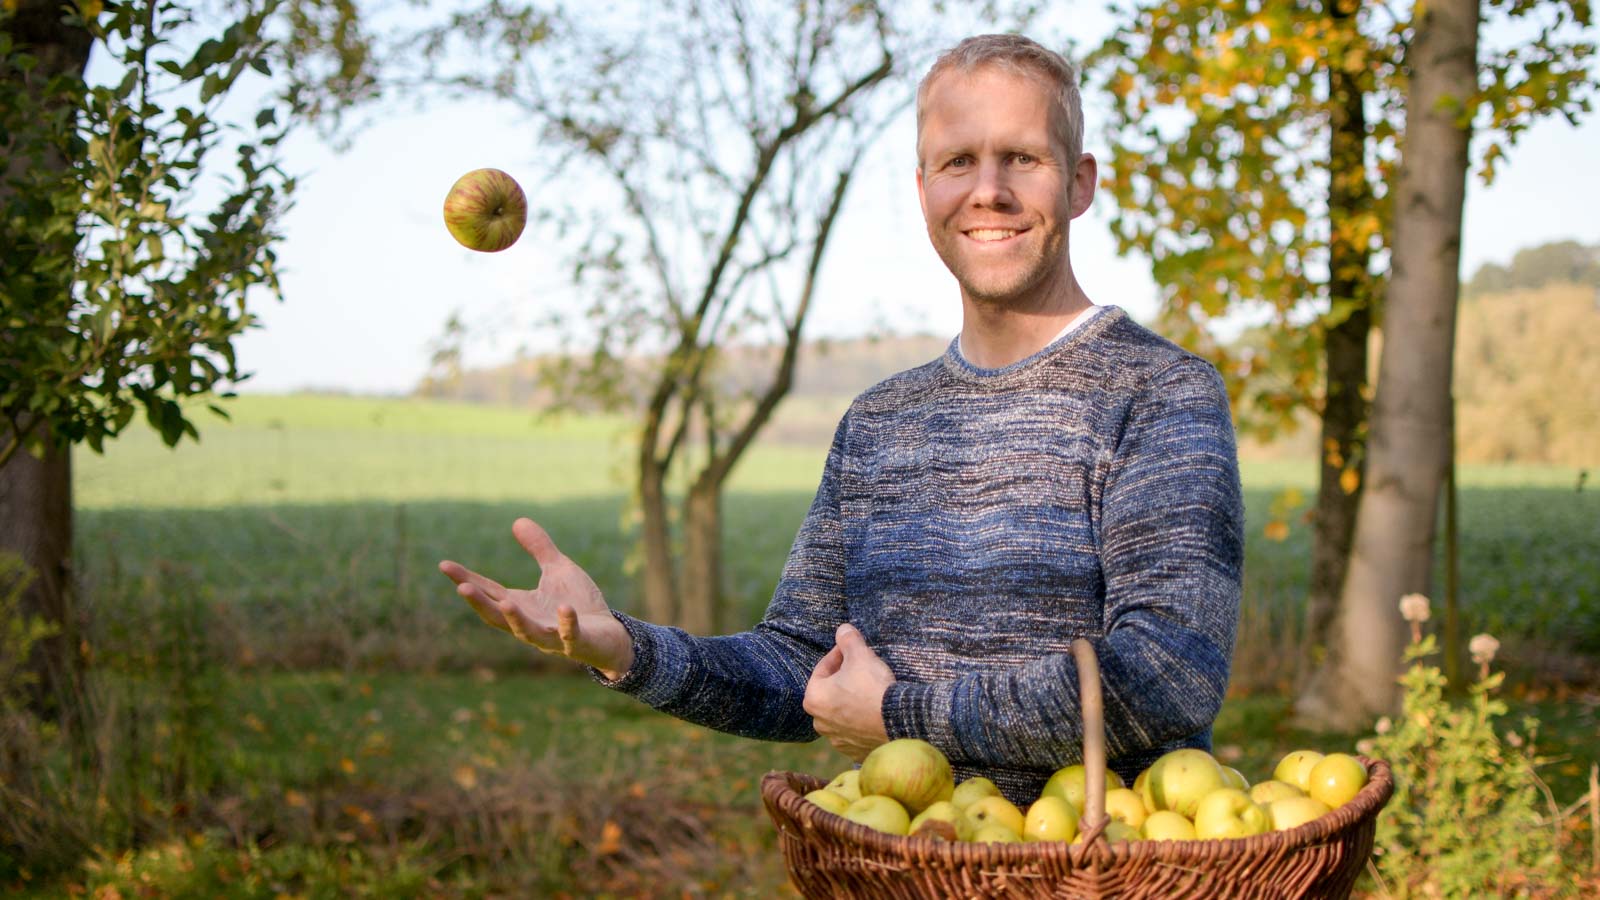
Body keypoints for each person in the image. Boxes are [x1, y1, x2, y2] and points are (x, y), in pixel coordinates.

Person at [438, 33, 1244, 804]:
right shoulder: (880, 423)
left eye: (1022, 158)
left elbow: (1166, 673)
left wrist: (899, 718)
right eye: (958, 160)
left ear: (1078, 182)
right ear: (923, 187)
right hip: (901, 865)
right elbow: (800, 672)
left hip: (1104, 867)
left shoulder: (1160, 392)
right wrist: (622, 646)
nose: (988, 189)